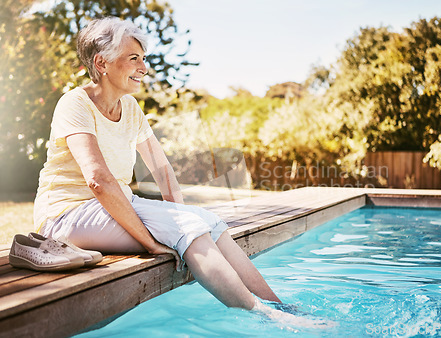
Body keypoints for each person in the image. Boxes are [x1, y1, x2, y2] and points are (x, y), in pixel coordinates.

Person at [33, 17, 280, 311]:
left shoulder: (131, 108)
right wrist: (153, 243)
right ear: (101, 63)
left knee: (209, 221)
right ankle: (266, 317)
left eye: (143, 58)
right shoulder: (75, 103)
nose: (144, 68)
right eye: (133, 58)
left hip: (114, 207)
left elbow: (162, 170)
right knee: (188, 227)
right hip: (65, 216)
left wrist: (179, 213)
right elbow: (98, 180)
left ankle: (279, 307)